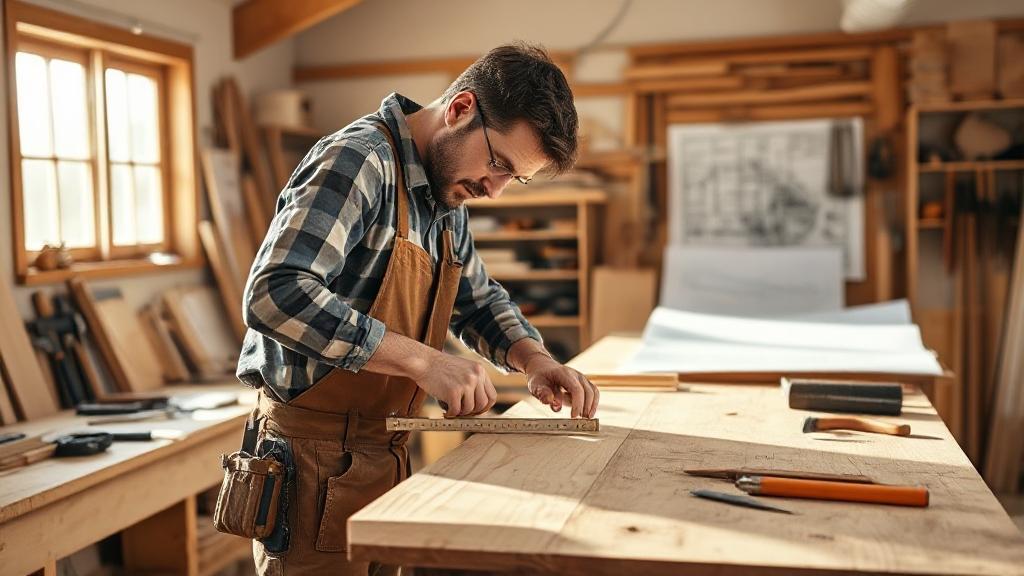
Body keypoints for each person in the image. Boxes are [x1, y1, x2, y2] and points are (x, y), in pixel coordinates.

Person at [234, 42, 600, 574]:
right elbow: (275, 293)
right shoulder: (359, 160)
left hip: (383, 450)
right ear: (460, 109)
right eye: (498, 164)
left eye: (512, 178)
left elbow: (476, 298)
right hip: (309, 461)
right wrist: (424, 361)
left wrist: (533, 358)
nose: (494, 191)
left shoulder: (443, 192)